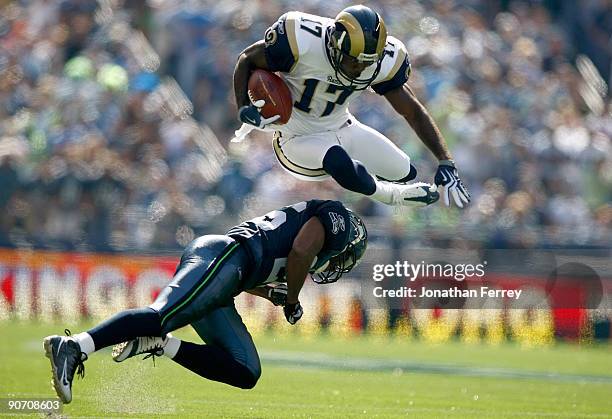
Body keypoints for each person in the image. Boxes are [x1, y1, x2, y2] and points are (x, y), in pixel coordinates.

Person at [43, 200, 368, 403]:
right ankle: (74, 346)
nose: (339, 263)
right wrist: (292, 301)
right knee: (162, 314)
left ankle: (158, 344)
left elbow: (253, 274)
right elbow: (300, 250)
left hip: (230, 273)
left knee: (245, 370)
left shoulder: (301, 251)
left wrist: (270, 293)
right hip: (223, 255)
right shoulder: (334, 218)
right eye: (345, 257)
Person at [234, 5, 471, 208]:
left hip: (342, 126)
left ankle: (390, 185)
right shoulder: (301, 40)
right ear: (336, 43)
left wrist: (445, 160)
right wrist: (244, 107)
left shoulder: (385, 61)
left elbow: (412, 110)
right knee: (337, 160)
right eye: (353, 59)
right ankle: (390, 196)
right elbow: (247, 59)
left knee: (405, 172)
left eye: (366, 62)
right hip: (295, 136)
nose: (358, 67)